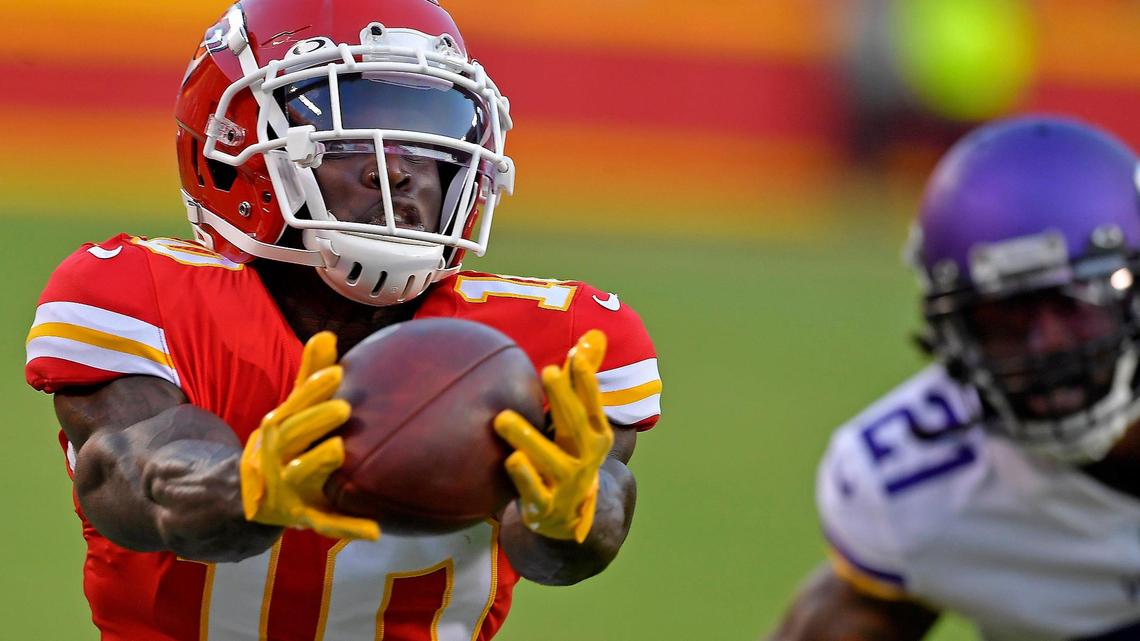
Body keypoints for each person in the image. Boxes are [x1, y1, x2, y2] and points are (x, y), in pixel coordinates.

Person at [24, 1, 662, 639]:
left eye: (427, 132)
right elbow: (124, 474)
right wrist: (240, 487)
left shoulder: (561, 339)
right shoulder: (141, 296)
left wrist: (575, 511)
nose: (397, 167)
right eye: (346, 131)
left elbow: (583, 531)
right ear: (229, 151)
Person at [767, 115, 1140, 641]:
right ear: (953, 334)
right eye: (1003, 318)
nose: (1046, 344)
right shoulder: (921, 488)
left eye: (1073, 304)